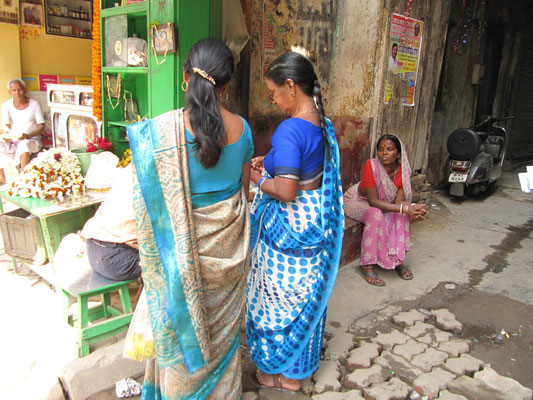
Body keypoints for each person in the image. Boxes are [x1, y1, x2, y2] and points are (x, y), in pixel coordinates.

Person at [127, 38, 253, 399]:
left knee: (182, 332)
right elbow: (242, 196)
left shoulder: (160, 134)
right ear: (226, 87)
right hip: (227, 259)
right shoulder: (243, 132)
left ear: (186, 78)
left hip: (175, 263)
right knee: (224, 339)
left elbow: (149, 208)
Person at [246, 51, 344, 392]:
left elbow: (286, 191)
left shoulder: (290, 129)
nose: (273, 99)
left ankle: (273, 371)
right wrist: (270, 160)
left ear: (291, 85)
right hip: (313, 232)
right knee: (304, 301)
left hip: (286, 235)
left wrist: (256, 179)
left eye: (274, 92)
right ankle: (295, 375)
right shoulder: (322, 123)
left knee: (275, 300)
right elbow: (306, 169)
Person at [343, 134, 427, 286]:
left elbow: (398, 202)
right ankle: (366, 265)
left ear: (398, 154)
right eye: (381, 150)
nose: (384, 153)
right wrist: (405, 208)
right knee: (376, 214)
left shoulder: (403, 172)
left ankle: (396, 258)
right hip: (357, 201)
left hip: (383, 204)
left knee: (401, 215)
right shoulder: (372, 166)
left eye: (389, 149)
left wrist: (414, 209)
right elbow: (374, 202)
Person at [81, 164, 141, 281]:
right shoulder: (155, 175)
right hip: (117, 259)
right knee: (178, 261)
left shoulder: (130, 168)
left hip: (93, 250)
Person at [0, 78, 44, 185]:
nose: (17, 93)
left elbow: (41, 126)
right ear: (10, 92)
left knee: (24, 144)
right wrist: (9, 134)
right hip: (15, 138)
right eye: (14, 90)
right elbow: (6, 126)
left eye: (19, 90)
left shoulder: (34, 104)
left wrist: (27, 135)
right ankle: (1, 178)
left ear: (24, 90)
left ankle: (24, 177)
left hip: (32, 139)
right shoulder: (6, 105)